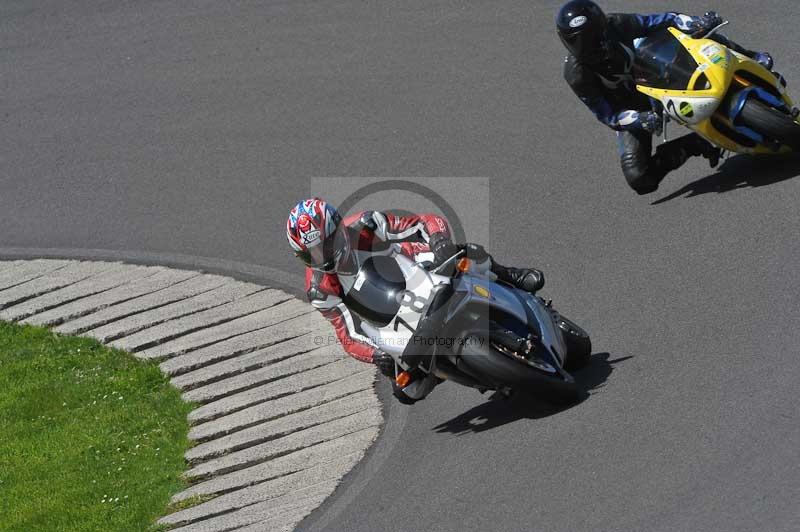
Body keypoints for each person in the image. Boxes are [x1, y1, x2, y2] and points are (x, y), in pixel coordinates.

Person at [286, 198, 544, 379]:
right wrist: (375, 355)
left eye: (327, 245)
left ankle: (510, 275)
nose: (324, 257)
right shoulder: (320, 291)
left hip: (412, 267)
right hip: (387, 316)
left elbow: (422, 223)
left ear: (339, 229)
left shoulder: (366, 225)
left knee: (466, 254)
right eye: (313, 255)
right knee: (406, 384)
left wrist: (439, 240)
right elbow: (348, 334)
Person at [556, 1, 774, 195]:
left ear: (603, 26)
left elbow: (663, 21)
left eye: (595, 35)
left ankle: (751, 57)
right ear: (568, 43)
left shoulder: (617, 23)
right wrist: (639, 119)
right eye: (581, 41)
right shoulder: (577, 75)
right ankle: (691, 145)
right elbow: (608, 115)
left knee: (697, 34)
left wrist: (695, 22)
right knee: (639, 178)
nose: (592, 44)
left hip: (655, 70)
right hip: (633, 108)